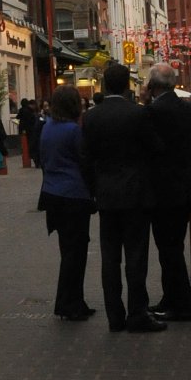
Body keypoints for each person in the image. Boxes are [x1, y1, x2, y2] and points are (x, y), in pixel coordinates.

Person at [81, 62, 163, 333]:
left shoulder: (92, 117)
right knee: (136, 256)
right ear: (128, 83)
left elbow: (85, 158)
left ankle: (114, 315)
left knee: (110, 257)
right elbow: (156, 150)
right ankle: (137, 313)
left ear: (105, 84)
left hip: (107, 196)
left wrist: (94, 188)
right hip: (136, 194)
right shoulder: (138, 114)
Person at [36, 85, 95, 321]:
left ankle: (74, 301)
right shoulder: (73, 130)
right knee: (76, 253)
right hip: (74, 195)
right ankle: (68, 303)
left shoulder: (47, 127)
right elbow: (84, 161)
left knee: (67, 251)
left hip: (52, 194)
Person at [144, 64, 191, 323]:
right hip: (184, 187)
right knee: (174, 246)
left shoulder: (155, 111)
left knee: (169, 251)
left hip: (164, 191)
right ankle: (171, 298)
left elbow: (151, 148)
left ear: (152, 86)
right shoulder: (185, 107)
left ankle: (182, 305)